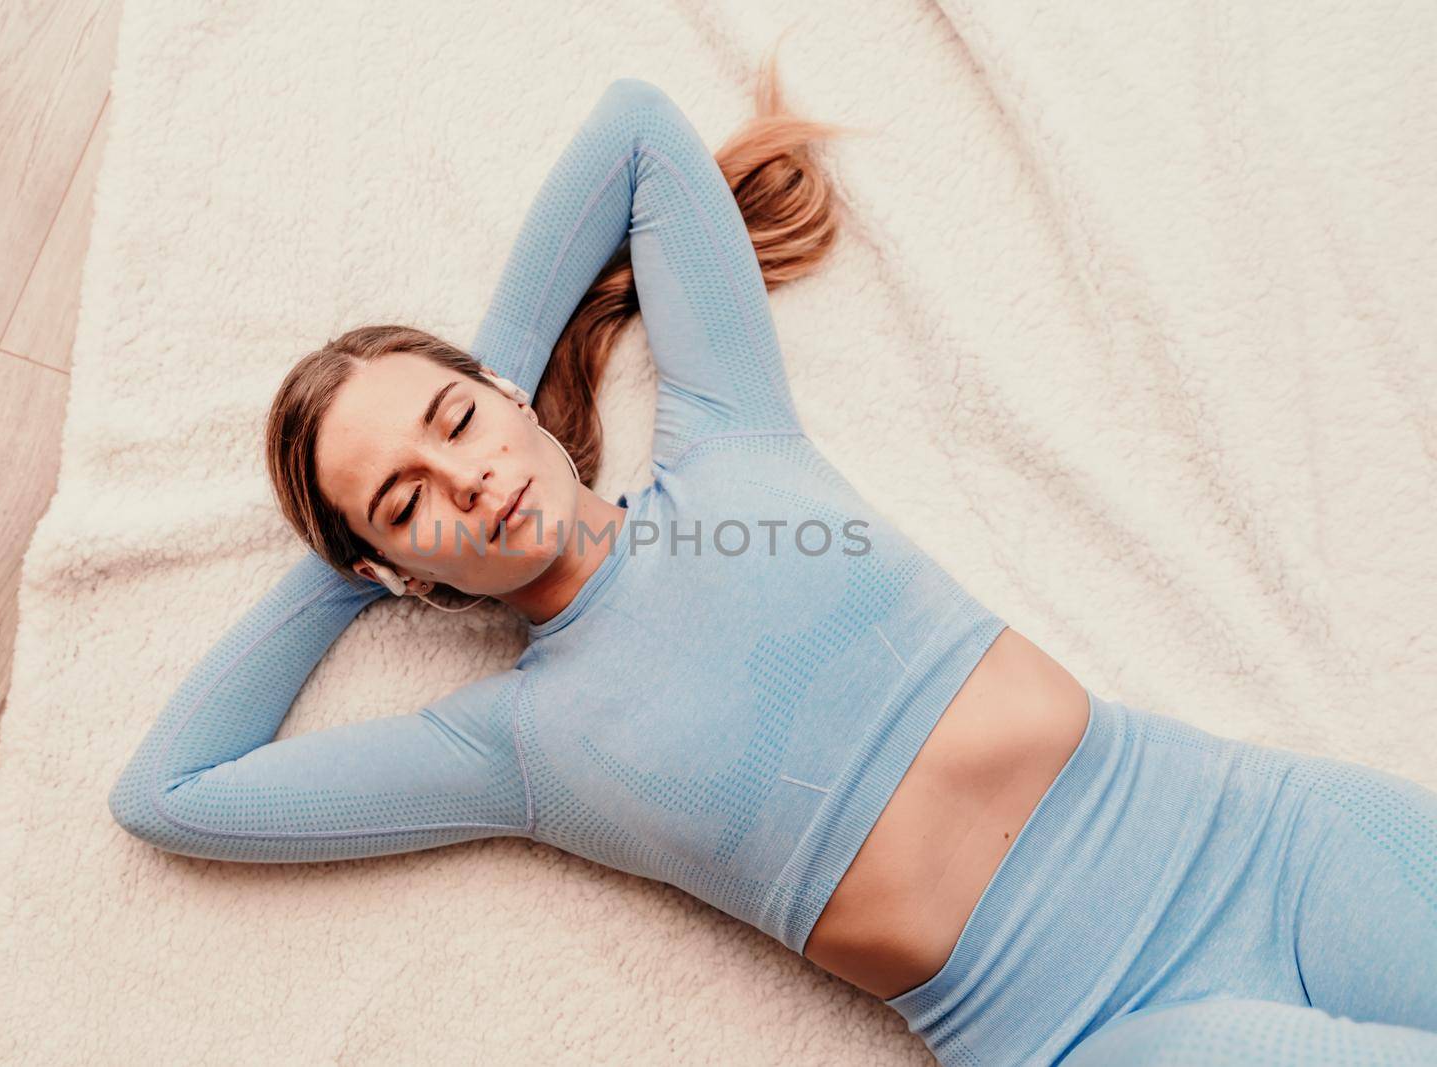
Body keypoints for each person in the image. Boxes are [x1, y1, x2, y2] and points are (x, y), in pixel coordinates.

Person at [108, 54, 1437, 1066]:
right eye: (405, 504)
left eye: (455, 420)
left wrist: (495, 374)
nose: (462, 479)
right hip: (1101, 1028)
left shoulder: (733, 447)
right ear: (398, 574)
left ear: (505, 398)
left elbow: (637, 129)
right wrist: (339, 566)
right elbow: (173, 793)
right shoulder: (508, 746)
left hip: (1267, 835)